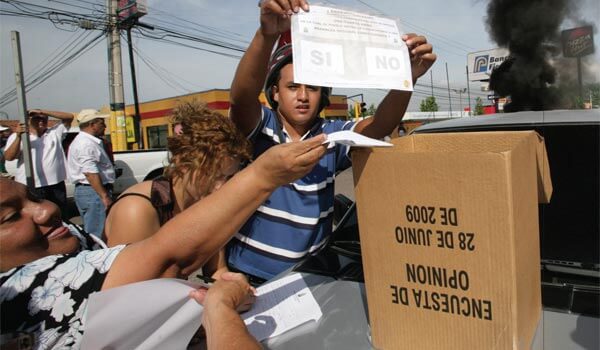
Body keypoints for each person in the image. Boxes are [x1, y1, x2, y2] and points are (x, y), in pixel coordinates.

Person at [0, 134, 327, 349]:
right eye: (11, 217)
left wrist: (219, 282)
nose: (48, 210)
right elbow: (161, 272)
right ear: (192, 167)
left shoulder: (69, 238)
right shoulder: (136, 211)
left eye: (33, 197)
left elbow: (209, 263)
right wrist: (263, 175)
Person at [226, 0, 437, 282]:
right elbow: (241, 98)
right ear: (274, 93)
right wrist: (266, 35)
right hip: (248, 278)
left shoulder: (332, 135)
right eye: (292, 87)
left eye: (312, 87)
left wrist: (406, 78)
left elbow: (379, 126)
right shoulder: (261, 127)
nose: (303, 96)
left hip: (311, 278)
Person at [104, 101, 252, 279]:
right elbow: (126, 295)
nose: (221, 187)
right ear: (182, 162)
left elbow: (216, 270)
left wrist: (231, 284)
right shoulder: (136, 210)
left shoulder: (209, 206)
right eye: (213, 174)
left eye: (228, 177)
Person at [3, 109, 74, 208]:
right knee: (37, 218)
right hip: (32, 186)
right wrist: (19, 137)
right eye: (37, 118)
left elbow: (69, 116)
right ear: (28, 120)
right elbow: (9, 157)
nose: (41, 121)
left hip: (55, 185)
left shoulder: (54, 132)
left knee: (59, 216)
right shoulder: (19, 136)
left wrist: (42, 112)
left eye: (44, 118)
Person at [66, 109, 115, 238]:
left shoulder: (87, 141)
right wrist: (104, 196)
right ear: (92, 124)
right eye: (101, 123)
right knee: (97, 233)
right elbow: (90, 173)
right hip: (93, 192)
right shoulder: (86, 144)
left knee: (97, 229)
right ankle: (96, 257)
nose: (104, 126)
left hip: (92, 192)